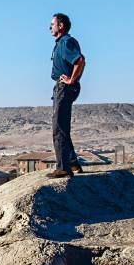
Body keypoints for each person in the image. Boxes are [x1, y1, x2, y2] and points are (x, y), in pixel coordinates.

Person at [47, 13, 86, 178]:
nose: (50, 27)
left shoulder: (66, 42)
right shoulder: (60, 43)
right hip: (61, 87)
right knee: (61, 126)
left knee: (59, 128)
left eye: (52, 24)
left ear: (61, 26)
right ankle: (73, 162)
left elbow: (80, 61)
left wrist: (71, 80)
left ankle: (63, 167)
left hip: (65, 88)